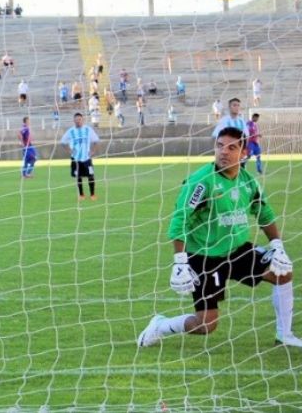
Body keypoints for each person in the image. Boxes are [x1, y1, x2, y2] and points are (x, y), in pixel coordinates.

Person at [137, 127, 300, 348]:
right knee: (206, 324)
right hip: (204, 257)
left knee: (283, 272)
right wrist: (180, 261)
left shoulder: (248, 182)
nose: (224, 152)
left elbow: (265, 213)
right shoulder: (202, 182)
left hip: (236, 250)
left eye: (232, 147)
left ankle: (285, 335)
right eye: (220, 146)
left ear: (244, 153)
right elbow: (180, 220)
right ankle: (161, 325)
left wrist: (277, 246)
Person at [60, 112, 100, 201]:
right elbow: (62, 142)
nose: (78, 121)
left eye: (79, 119)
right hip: (75, 159)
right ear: (73, 121)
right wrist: (69, 151)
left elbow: (96, 141)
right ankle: (81, 195)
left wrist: (93, 151)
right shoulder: (70, 131)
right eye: (76, 120)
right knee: (78, 177)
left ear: (83, 120)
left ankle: (92, 194)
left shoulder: (88, 130)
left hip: (86, 158)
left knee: (91, 176)